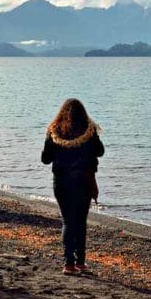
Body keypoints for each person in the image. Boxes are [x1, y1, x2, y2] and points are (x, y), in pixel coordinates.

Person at [41, 99, 104, 275]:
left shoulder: (54, 131)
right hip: (83, 181)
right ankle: (81, 262)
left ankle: (69, 263)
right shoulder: (88, 131)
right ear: (83, 114)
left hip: (61, 181)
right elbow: (100, 151)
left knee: (68, 221)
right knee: (80, 221)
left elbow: (45, 159)